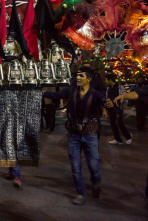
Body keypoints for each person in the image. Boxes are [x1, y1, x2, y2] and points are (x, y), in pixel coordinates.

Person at [43, 66, 113, 206]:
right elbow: (55, 95)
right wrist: (40, 92)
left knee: (93, 164)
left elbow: (107, 103)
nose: (78, 78)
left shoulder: (96, 94)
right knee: (75, 167)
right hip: (74, 135)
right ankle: (80, 193)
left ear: (89, 79)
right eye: (77, 76)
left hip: (90, 134)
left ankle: (96, 181)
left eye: (81, 76)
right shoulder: (71, 91)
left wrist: (109, 105)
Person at [104, 74, 131, 145]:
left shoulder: (119, 87)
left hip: (118, 108)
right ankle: (118, 139)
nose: (105, 81)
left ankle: (128, 137)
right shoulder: (108, 88)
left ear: (110, 80)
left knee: (120, 123)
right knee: (112, 123)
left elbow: (124, 96)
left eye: (106, 79)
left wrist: (122, 106)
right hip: (111, 108)